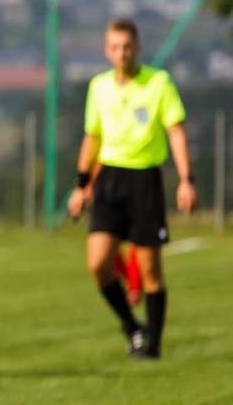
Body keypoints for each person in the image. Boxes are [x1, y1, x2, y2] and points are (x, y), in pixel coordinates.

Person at [67, 18, 195, 359]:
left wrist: (186, 179)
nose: (121, 53)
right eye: (115, 47)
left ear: (137, 47)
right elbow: (92, 137)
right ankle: (131, 326)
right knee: (98, 263)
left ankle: (152, 345)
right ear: (107, 50)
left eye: (127, 46)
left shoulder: (159, 83)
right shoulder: (99, 87)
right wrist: (81, 186)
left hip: (145, 180)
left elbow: (176, 132)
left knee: (150, 268)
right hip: (109, 179)